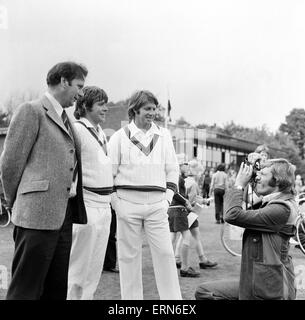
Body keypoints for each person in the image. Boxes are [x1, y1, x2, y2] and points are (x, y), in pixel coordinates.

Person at [0, 61, 88, 300]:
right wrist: (18, 203)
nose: (81, 94)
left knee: (55, 289)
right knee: (25, 290)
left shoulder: (67, 119)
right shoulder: (31, 110)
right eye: (79, 86)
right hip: (35, 216)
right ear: (63, 81)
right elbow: (10, 165)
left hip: (63, 216)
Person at [108, 90, 182, 300]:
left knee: (166, 255)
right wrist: (117, 205)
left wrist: (167, 199)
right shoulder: (119, 137)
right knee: (129, 258)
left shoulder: (164, 135)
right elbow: (109, 175)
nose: (153, 113)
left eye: (154, 108)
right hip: (126, 204)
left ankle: (173, 302)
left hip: (157, 204)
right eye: (148, 109)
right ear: (135, 109)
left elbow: (173, 169)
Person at [195, 158, 298, 300]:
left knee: (205, 292)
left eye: (263, 174)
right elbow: (244, 204)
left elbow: (232, 215)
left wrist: (238, 185)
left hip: (271, 288)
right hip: (259, 281)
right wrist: (249, 179)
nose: (257, 177)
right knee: (204, 291)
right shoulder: (275, 201)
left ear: (278, 180)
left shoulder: (281, 209)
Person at [67, 86, 113, 300]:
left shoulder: (101, 132)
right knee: (78, 269)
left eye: (106, 103)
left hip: (105, 206)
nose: (106, 108)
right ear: (85, 106)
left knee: (94, 270)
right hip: (86, 205)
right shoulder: (76, 130)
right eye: (101, 104)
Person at [176, 160, 217, 270]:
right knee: (193, 236)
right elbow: (193, 200)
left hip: (183, 211)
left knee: (184, 235)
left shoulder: (184, 180)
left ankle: (177, 258)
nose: (201, 175)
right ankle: (202, 260)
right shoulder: (193, 183)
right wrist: (204, 201)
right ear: (196, 171)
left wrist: (202, 200)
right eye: (201, 172)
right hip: (190, 213)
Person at [168, 160, 200, 278]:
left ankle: (166, 263)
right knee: (186, 237)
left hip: (171, 209)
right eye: (185, 166)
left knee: (171, 238)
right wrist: (186, 202)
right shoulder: (178, 178)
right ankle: (185, 268)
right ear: (179, 166)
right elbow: (176, 193)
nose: (188, 169)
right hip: (179, 209)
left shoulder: (172, 176)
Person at [103, 207, 119, 273]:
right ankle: (95, 266)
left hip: (111, 206)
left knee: (111, 235)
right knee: (97, 235)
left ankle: (110, 264)